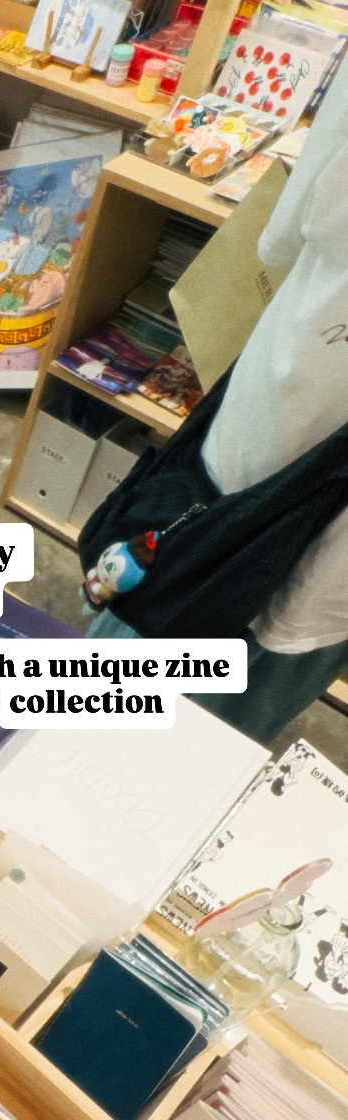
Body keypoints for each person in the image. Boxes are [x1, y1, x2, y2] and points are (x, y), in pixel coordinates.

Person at [90, 51, 348, 744]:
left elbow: (279, 239)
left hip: (268, 448)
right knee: (225, 737)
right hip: (332, 580)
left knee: (115, 683)